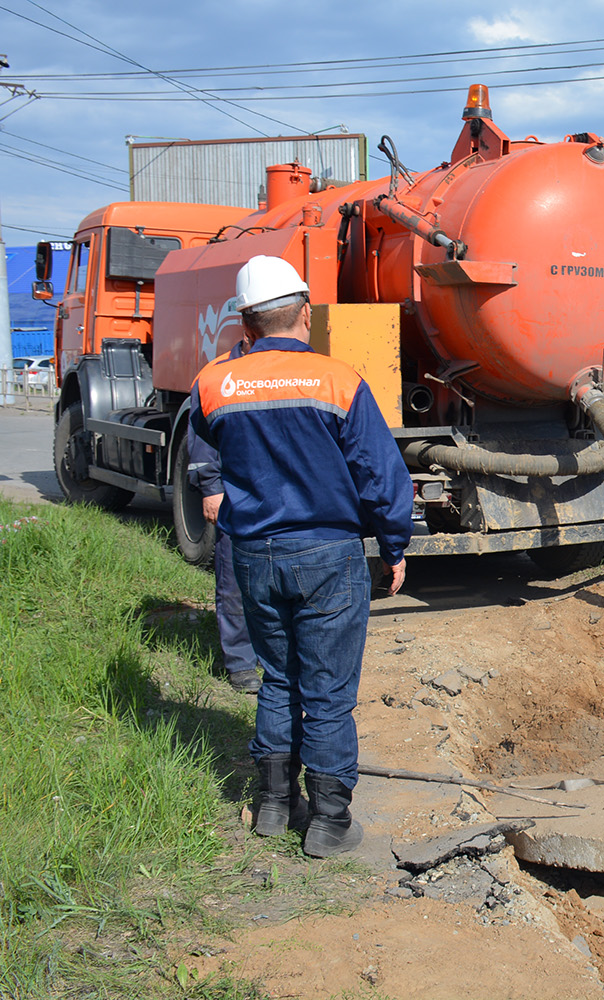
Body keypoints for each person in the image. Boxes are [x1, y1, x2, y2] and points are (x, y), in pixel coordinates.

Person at [191, 255, 413, 857]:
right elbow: (379, 474)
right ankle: (330, 822)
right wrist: (394, 544)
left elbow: (204, 453)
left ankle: (273, 807)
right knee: (329, 692)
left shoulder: (214, 383)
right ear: (305, 313)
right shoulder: (338, 380)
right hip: (327, 554)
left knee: (277, 679)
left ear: (245, 321)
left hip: (255, 555)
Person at [185, 335, 260, 695]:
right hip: (232, 495)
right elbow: (200, 441)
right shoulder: (217, 375)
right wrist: (211, 487)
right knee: (233, 580)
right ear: (248, 334)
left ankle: (267, 655)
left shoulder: (274, 371)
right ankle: (241, 664)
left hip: (272, 496)